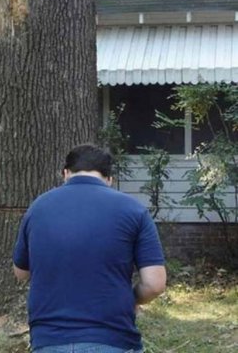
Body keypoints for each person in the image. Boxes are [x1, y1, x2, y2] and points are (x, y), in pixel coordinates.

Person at [13, 144, 166, 353]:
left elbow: (21, 272)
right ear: (109, 179)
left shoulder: (38, 208)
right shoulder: (134, 210)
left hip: (49, 339)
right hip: (113, 338)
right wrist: (133, 299)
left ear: (65, 173)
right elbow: (155, 284)